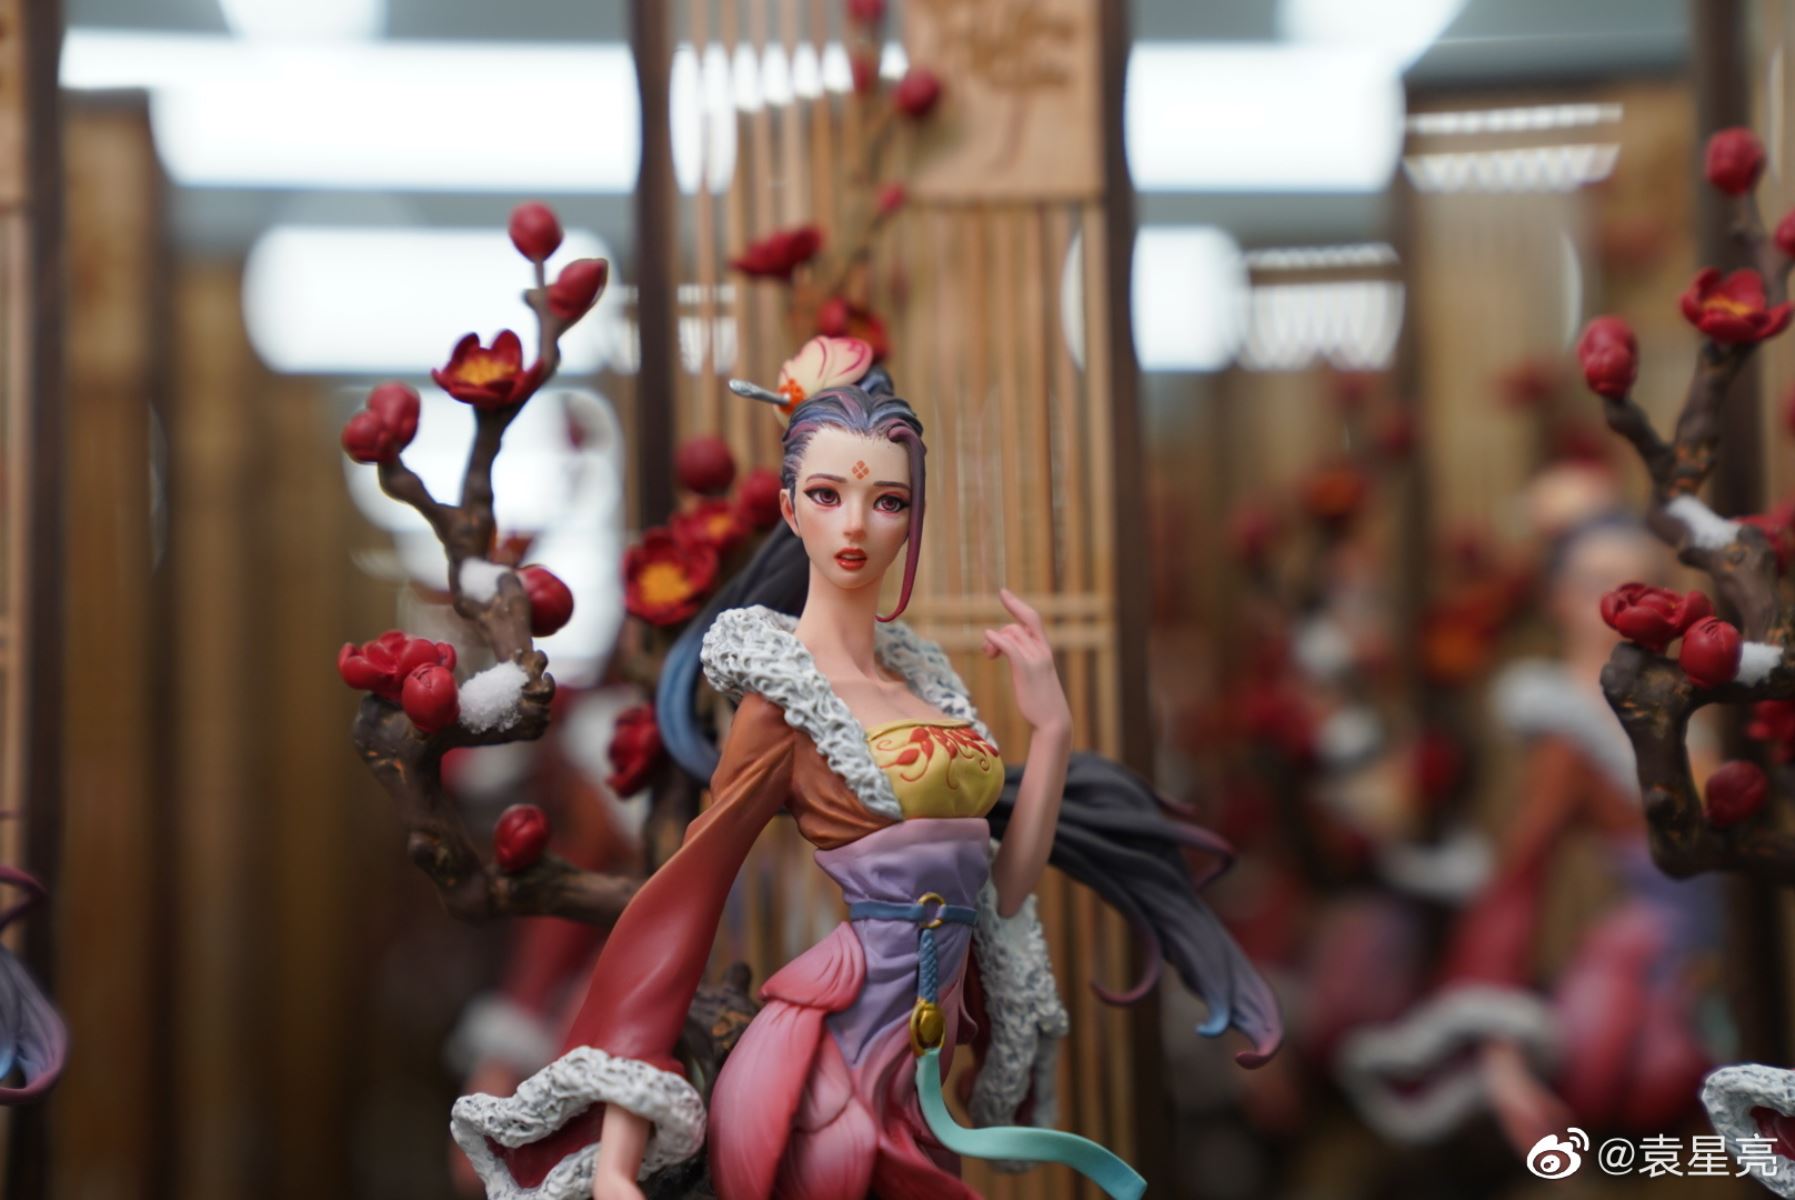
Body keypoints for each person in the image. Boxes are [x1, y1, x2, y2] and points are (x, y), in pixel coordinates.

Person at [451, 337, 1280, 1200]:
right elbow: (683, 901)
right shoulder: (781, 694)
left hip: (921, 1064)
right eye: (826, 495)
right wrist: (620, 1156)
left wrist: (1052, 731)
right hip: (825, 1065)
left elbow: (1003, 892)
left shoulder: (928, 689)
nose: (854, 525)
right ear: (787, 508)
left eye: (886, 501)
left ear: (912, 517)